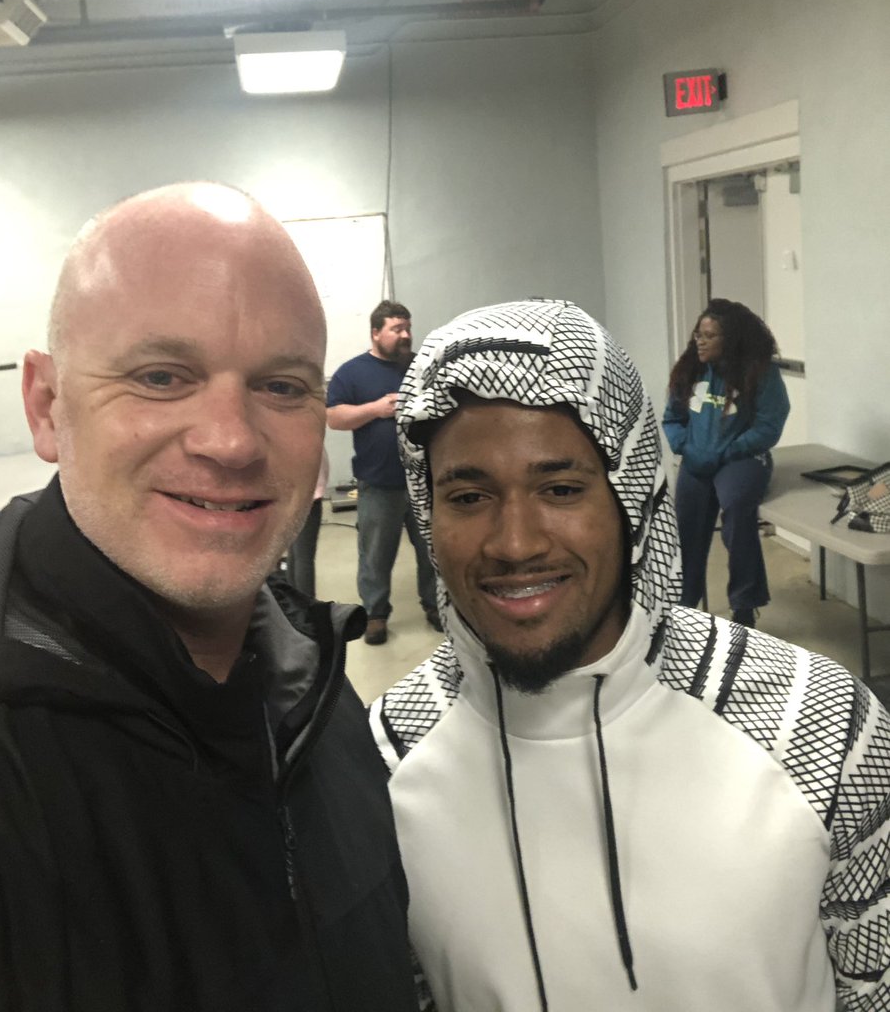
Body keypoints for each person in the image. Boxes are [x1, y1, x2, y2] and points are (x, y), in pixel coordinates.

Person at [370, 298, 890, 1012]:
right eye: (467, 496)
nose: (514, 543)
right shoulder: (380, 760)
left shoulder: (819, 727)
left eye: (560, 489)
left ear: (631, 501)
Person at [0, 182, 418, 1012]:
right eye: (161, 376)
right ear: (46, 405)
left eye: (281, 387)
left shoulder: (308, 679)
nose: (230, 441)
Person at [662, 298, 791, 626]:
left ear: (731, 339)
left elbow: (769, 425)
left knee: (736, 511)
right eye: (698, 334)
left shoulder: (760, 372)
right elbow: (673, 418)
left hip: (742, 457)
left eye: (710, 336)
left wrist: (729, 450)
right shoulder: (690, 369)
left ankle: (744, 605)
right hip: (696, 458)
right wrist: (685, 447)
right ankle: (684, 607)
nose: (700, 341)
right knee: (687, 527)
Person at [326, 300, 439, 645]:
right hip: (378, 483)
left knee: (432, 550)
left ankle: (435, 605)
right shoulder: (352, 372)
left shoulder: (422, 366)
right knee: (375, 554)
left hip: (424, 480)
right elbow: (334, 417)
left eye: (408, 328)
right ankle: (375, 614)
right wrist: (375, 409)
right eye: (396, 329)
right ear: (376, 333)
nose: (405, 335)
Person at [283, 446, 329, 597]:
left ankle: (293, 603)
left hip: (289, 493)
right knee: (303, 556)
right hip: (307, 494)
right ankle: (305, 607)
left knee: (295, 552)